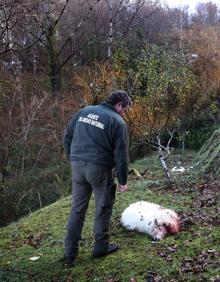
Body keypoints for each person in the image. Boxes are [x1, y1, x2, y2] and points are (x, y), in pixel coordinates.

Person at [62, 90, 132, 267]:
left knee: (77, 208)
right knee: (103, 205)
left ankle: (70, 252)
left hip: (77, 166)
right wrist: (123, 180)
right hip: (99, 169)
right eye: (124, 109)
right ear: (118, 105)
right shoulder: (117, 122)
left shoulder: (84, 112)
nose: (124, 112)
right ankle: (101, 246)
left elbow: (67, 136)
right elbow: (121, 155)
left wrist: (73, 156)